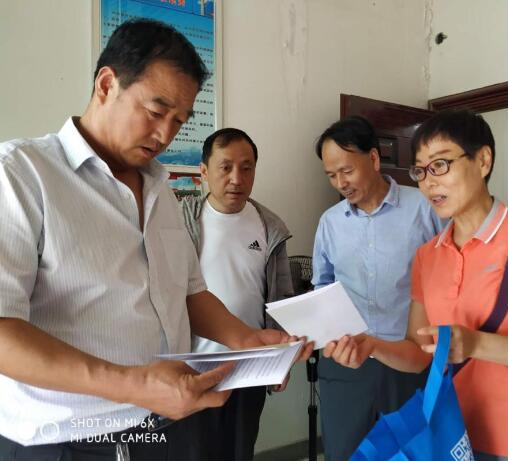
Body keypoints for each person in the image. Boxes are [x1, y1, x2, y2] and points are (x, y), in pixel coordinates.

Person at [0, 19, 310, 461]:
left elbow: (188, 292)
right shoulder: (20, 175)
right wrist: (133, 384)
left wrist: (245, 340)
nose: (165, 134)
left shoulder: (161, 191)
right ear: (106, 84)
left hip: (163, 428)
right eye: (155, 111)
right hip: (65, 441)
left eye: (179, 120)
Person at [324, 109, 508, 460]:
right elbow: (418, 354)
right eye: (421, 171)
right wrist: (373, 346)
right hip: (455, 439)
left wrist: (476, 343)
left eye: (441, 165)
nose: (428, 182)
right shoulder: (428, 256)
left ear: (483, 161)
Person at [312, 115, 443, 461]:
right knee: (345, 452)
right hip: (347, 362)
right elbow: (323, 285)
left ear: (372, 158)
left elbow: (449, 279)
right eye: (331, 175)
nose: (340, 182)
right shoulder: (330, 223)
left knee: (411, 452)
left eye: (347, 170)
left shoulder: (424, 208)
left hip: (408, 360)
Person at [181, 127, 294, 461]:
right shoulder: (180, 221)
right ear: (204, 171)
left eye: (246, 168)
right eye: (225, 167)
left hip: (250, 367)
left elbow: (281, 298)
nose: (236, 178)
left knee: (241, 450)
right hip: (194, 365)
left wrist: (282, 360)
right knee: (194, 453)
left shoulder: (270, 226)